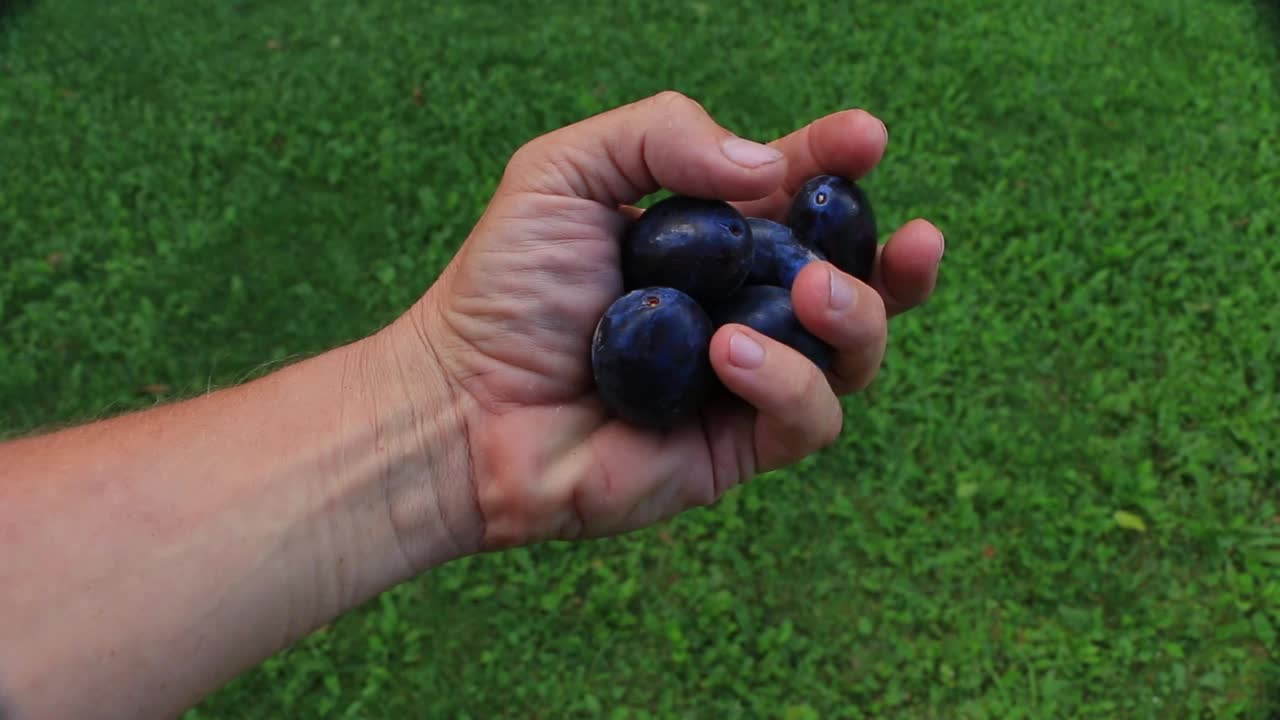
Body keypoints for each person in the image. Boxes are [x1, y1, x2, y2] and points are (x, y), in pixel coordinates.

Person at [0, 91, 943, 720]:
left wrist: (445, 409)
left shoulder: (725, 280)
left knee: (796, 310)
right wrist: (450, 400)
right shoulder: (683, 289)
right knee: (774, 311)